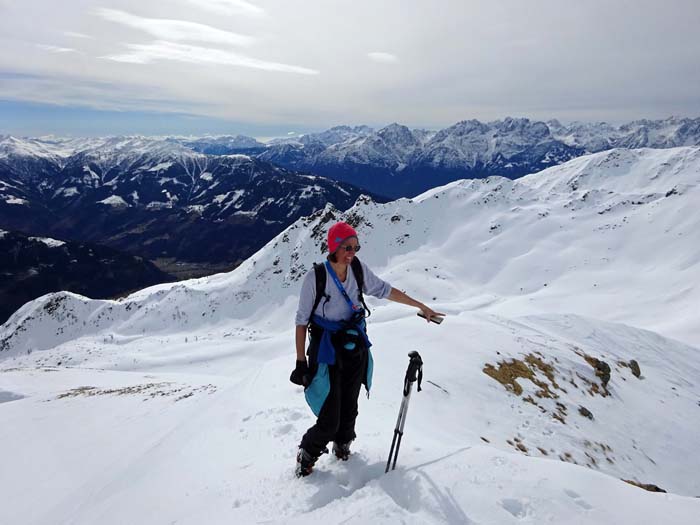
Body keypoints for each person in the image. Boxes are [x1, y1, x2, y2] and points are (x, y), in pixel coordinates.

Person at [290, 221, 444, 477]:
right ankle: (307, 452)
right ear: (334, 247)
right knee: (330, 415)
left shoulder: (358, 270)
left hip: (354, 347)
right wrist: (300, 363)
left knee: (350, 405)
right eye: (347, 247)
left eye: (355, 247)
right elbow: (301, 320)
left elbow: (385, 290)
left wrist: (421, 306)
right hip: (327, 350)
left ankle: (343, 444)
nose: (352, 252)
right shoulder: (316, 277)